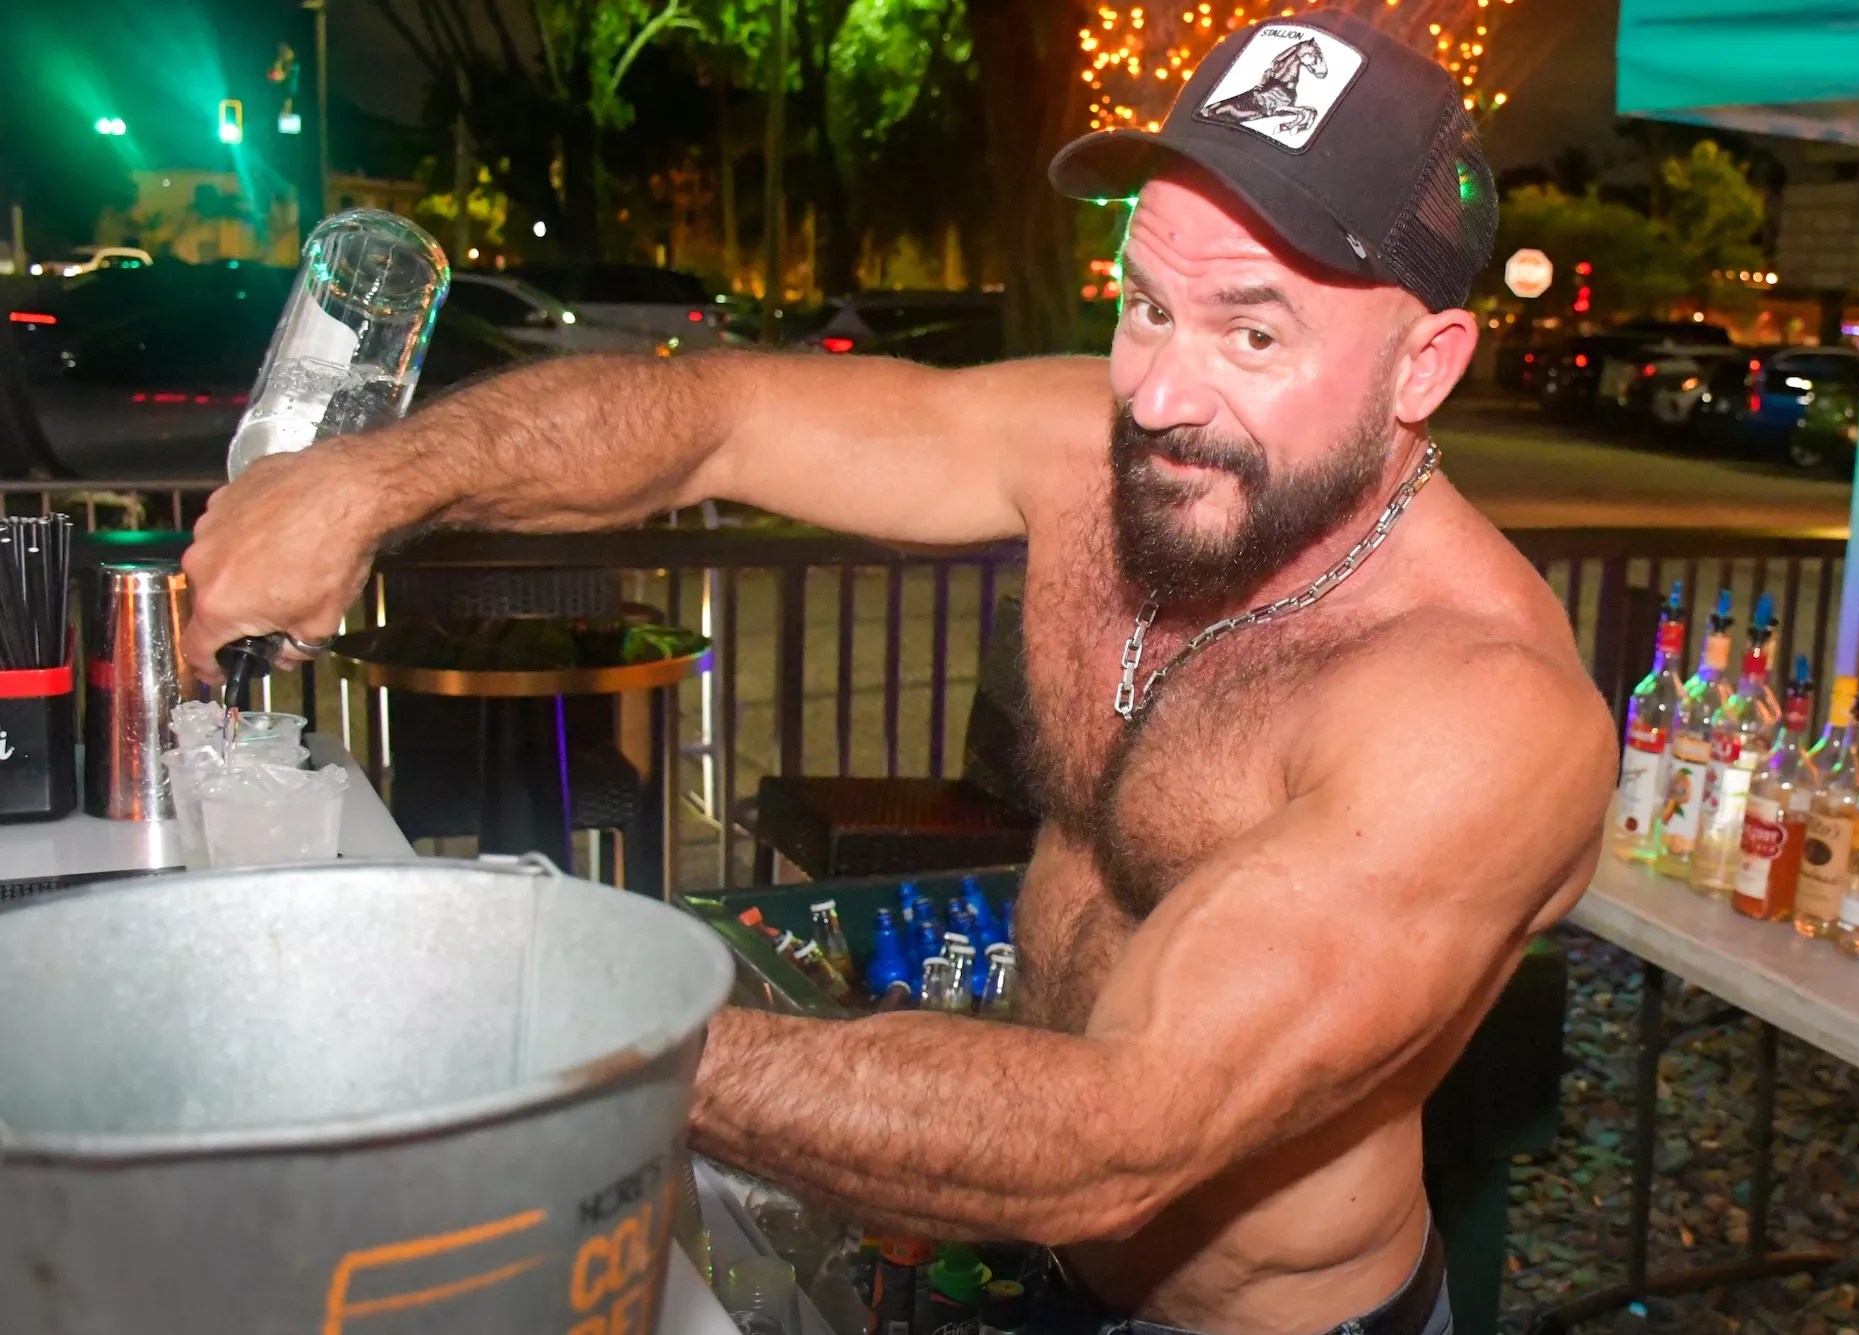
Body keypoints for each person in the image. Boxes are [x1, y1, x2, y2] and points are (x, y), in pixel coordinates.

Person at [181, 12, 1614, 1335]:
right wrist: (373, 481)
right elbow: (716, 418)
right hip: (1030, 1261)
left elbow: (1123, 1132)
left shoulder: (1479, 711)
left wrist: (552, 1032)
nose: (1161, 393)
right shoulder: (1100, 453)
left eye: (1254, 331)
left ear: (1423, 367)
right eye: (1146, 307)